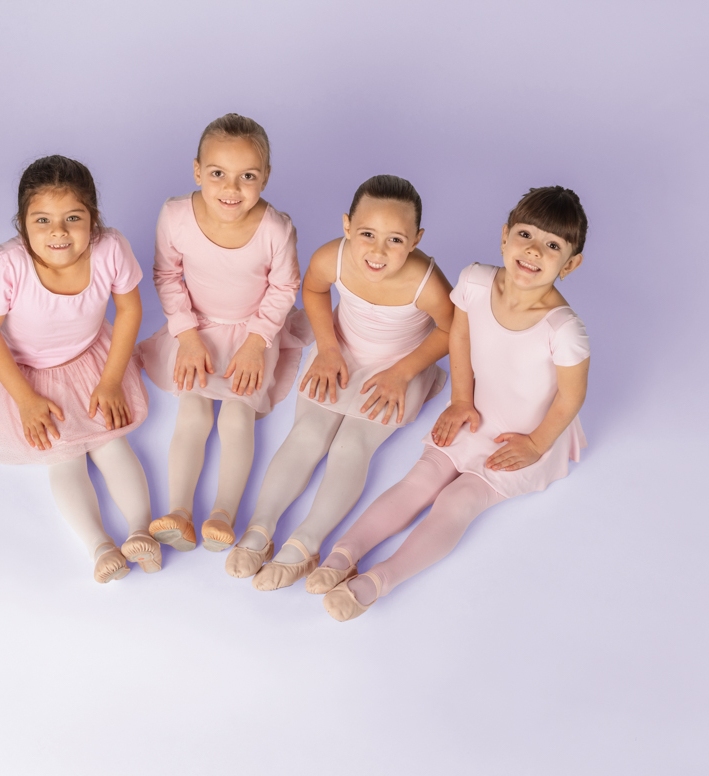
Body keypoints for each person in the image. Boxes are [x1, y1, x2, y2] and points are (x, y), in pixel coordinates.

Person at [308, 186, 591, 620]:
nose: (533, 251)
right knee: (421, 478)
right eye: (526, 235)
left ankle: (378, 581)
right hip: (475, 410)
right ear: (505, 236)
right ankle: (342, 555)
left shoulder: (564, 329)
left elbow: (572, 396)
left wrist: (536, 443)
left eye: (552, 246)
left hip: (526, 431)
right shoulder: (476, 281)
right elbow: (458, 336)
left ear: (570, 264)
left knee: (458, 502)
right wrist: (460, 400)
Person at [0, 155, 159, 584]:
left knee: (113, 442)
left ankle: (140, 530)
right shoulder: (10, 263)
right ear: (22, 225)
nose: (58, 232)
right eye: (42, 221)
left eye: (73, 218)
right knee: (65, 456)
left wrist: (111, 379)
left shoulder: (110, 248)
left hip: (89, 359)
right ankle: (99, 545)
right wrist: (25, 399)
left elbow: (130, 309)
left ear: (93, 221)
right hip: (26, 369)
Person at [226, 175, 454, 591]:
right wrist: (329, 349)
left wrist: (402, 373)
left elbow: (450, 330)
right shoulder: (333, 256)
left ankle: (307, 542)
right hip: (341, 352)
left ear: (417, 240)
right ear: (347, 226)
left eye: (396, 240)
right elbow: (313, 290)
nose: (378, 251)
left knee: (352, 445)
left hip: (397, 369)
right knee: (308, 433)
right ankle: (260, 527)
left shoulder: (427, 283)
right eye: (367, 234)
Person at [138, 113, 311, 554]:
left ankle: (223, 512)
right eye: (217, 174)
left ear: (265, 178)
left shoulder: (275, 228)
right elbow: (167, 275)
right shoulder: (176, 215)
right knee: (193, 409)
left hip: (253, 333)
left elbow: (284, 287)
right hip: (197, 328)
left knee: (236, 415)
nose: (231, 190)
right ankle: (178, 510)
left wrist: (257, 344)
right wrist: (187, 336)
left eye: (247, 177)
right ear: (197, 171)